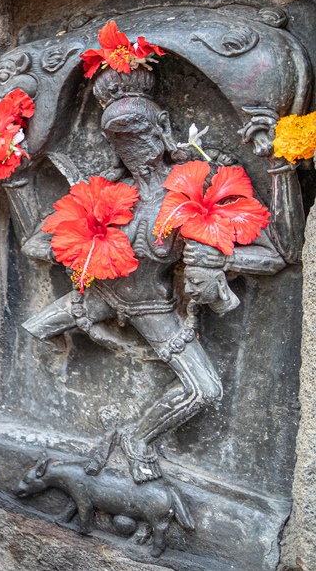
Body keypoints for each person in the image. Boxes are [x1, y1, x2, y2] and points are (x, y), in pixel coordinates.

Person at [19, 67, 286, 482]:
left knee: (204, 390)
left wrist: (215, 260)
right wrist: (75, 249)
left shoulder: (194, 190)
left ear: (162, 126)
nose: (131, 146)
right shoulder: (105, 191)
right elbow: (34, 246)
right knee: (35, 330)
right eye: (118, 137)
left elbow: (273, 258)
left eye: (137, 131)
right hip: (98, 296)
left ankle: (139, 440)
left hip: (154, 308)